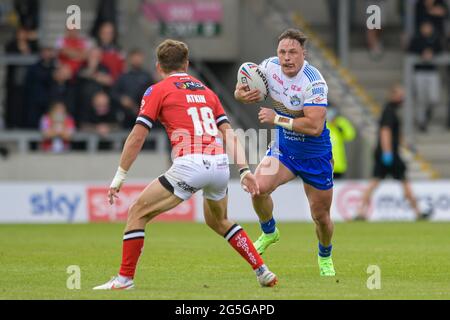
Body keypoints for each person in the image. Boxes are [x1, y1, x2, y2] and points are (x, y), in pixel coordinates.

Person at [94, 39, 278, 290]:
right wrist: (244, 170)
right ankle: (262, 271)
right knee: (219, 221)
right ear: (187, 64)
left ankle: (124, 279)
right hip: (220, 164)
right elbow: (229, 133)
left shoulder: (157, 90)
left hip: (191, 163)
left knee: (137, 212)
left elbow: (137, 136)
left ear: (158, 66)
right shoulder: (207, 91)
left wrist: (120, 175)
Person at [234, 29, 336, 276]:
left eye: (292, 52)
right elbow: (240, 89)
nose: (287, 58)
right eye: (282, 52)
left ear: (304, 54)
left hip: (315, 153)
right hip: (285, 147)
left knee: (320, 216)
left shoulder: (314, 82)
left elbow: (314, 126)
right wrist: (243, 95)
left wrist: (276, 117)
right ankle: (270, 231)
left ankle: (325, 256)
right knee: (257, 188)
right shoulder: (268, 67)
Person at [355, 85, 432, 221]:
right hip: (389, 154)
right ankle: (418, 212)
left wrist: (406, 145)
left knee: (378, 182)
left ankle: (361, 212)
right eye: (400, 95)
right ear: (393, 95)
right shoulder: (389, 111)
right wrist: (387, 153)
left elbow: (395, 134)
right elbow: (385, 132)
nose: (402, 98)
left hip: (389, 153)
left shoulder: (392, 111)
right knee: (399, 181)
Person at [408, 21, 443, 132]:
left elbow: (440, 49)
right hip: (419, 72)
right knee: (421, 99)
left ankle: (426, 115)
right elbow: (410, 50)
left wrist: (432, 52)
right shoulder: (416, 39)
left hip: (432, 72)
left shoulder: (435, 38)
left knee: (434, 98)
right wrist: (421, 53)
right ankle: (422, 122)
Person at [112, 49, 154, 129]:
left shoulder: (147, 76)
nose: (137, 60)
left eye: (139, 57)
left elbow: (153, 93)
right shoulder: (123, 76)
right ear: (130, 59)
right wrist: (122, 99)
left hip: (144, 114)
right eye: (134, 57)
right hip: (126, 115)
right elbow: (113, 92)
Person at [326, 106, 356, 179]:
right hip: (325, 164)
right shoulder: (323, 124)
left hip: (338, 164)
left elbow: (351, 135)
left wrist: (340, 129)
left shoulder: (341, 122)